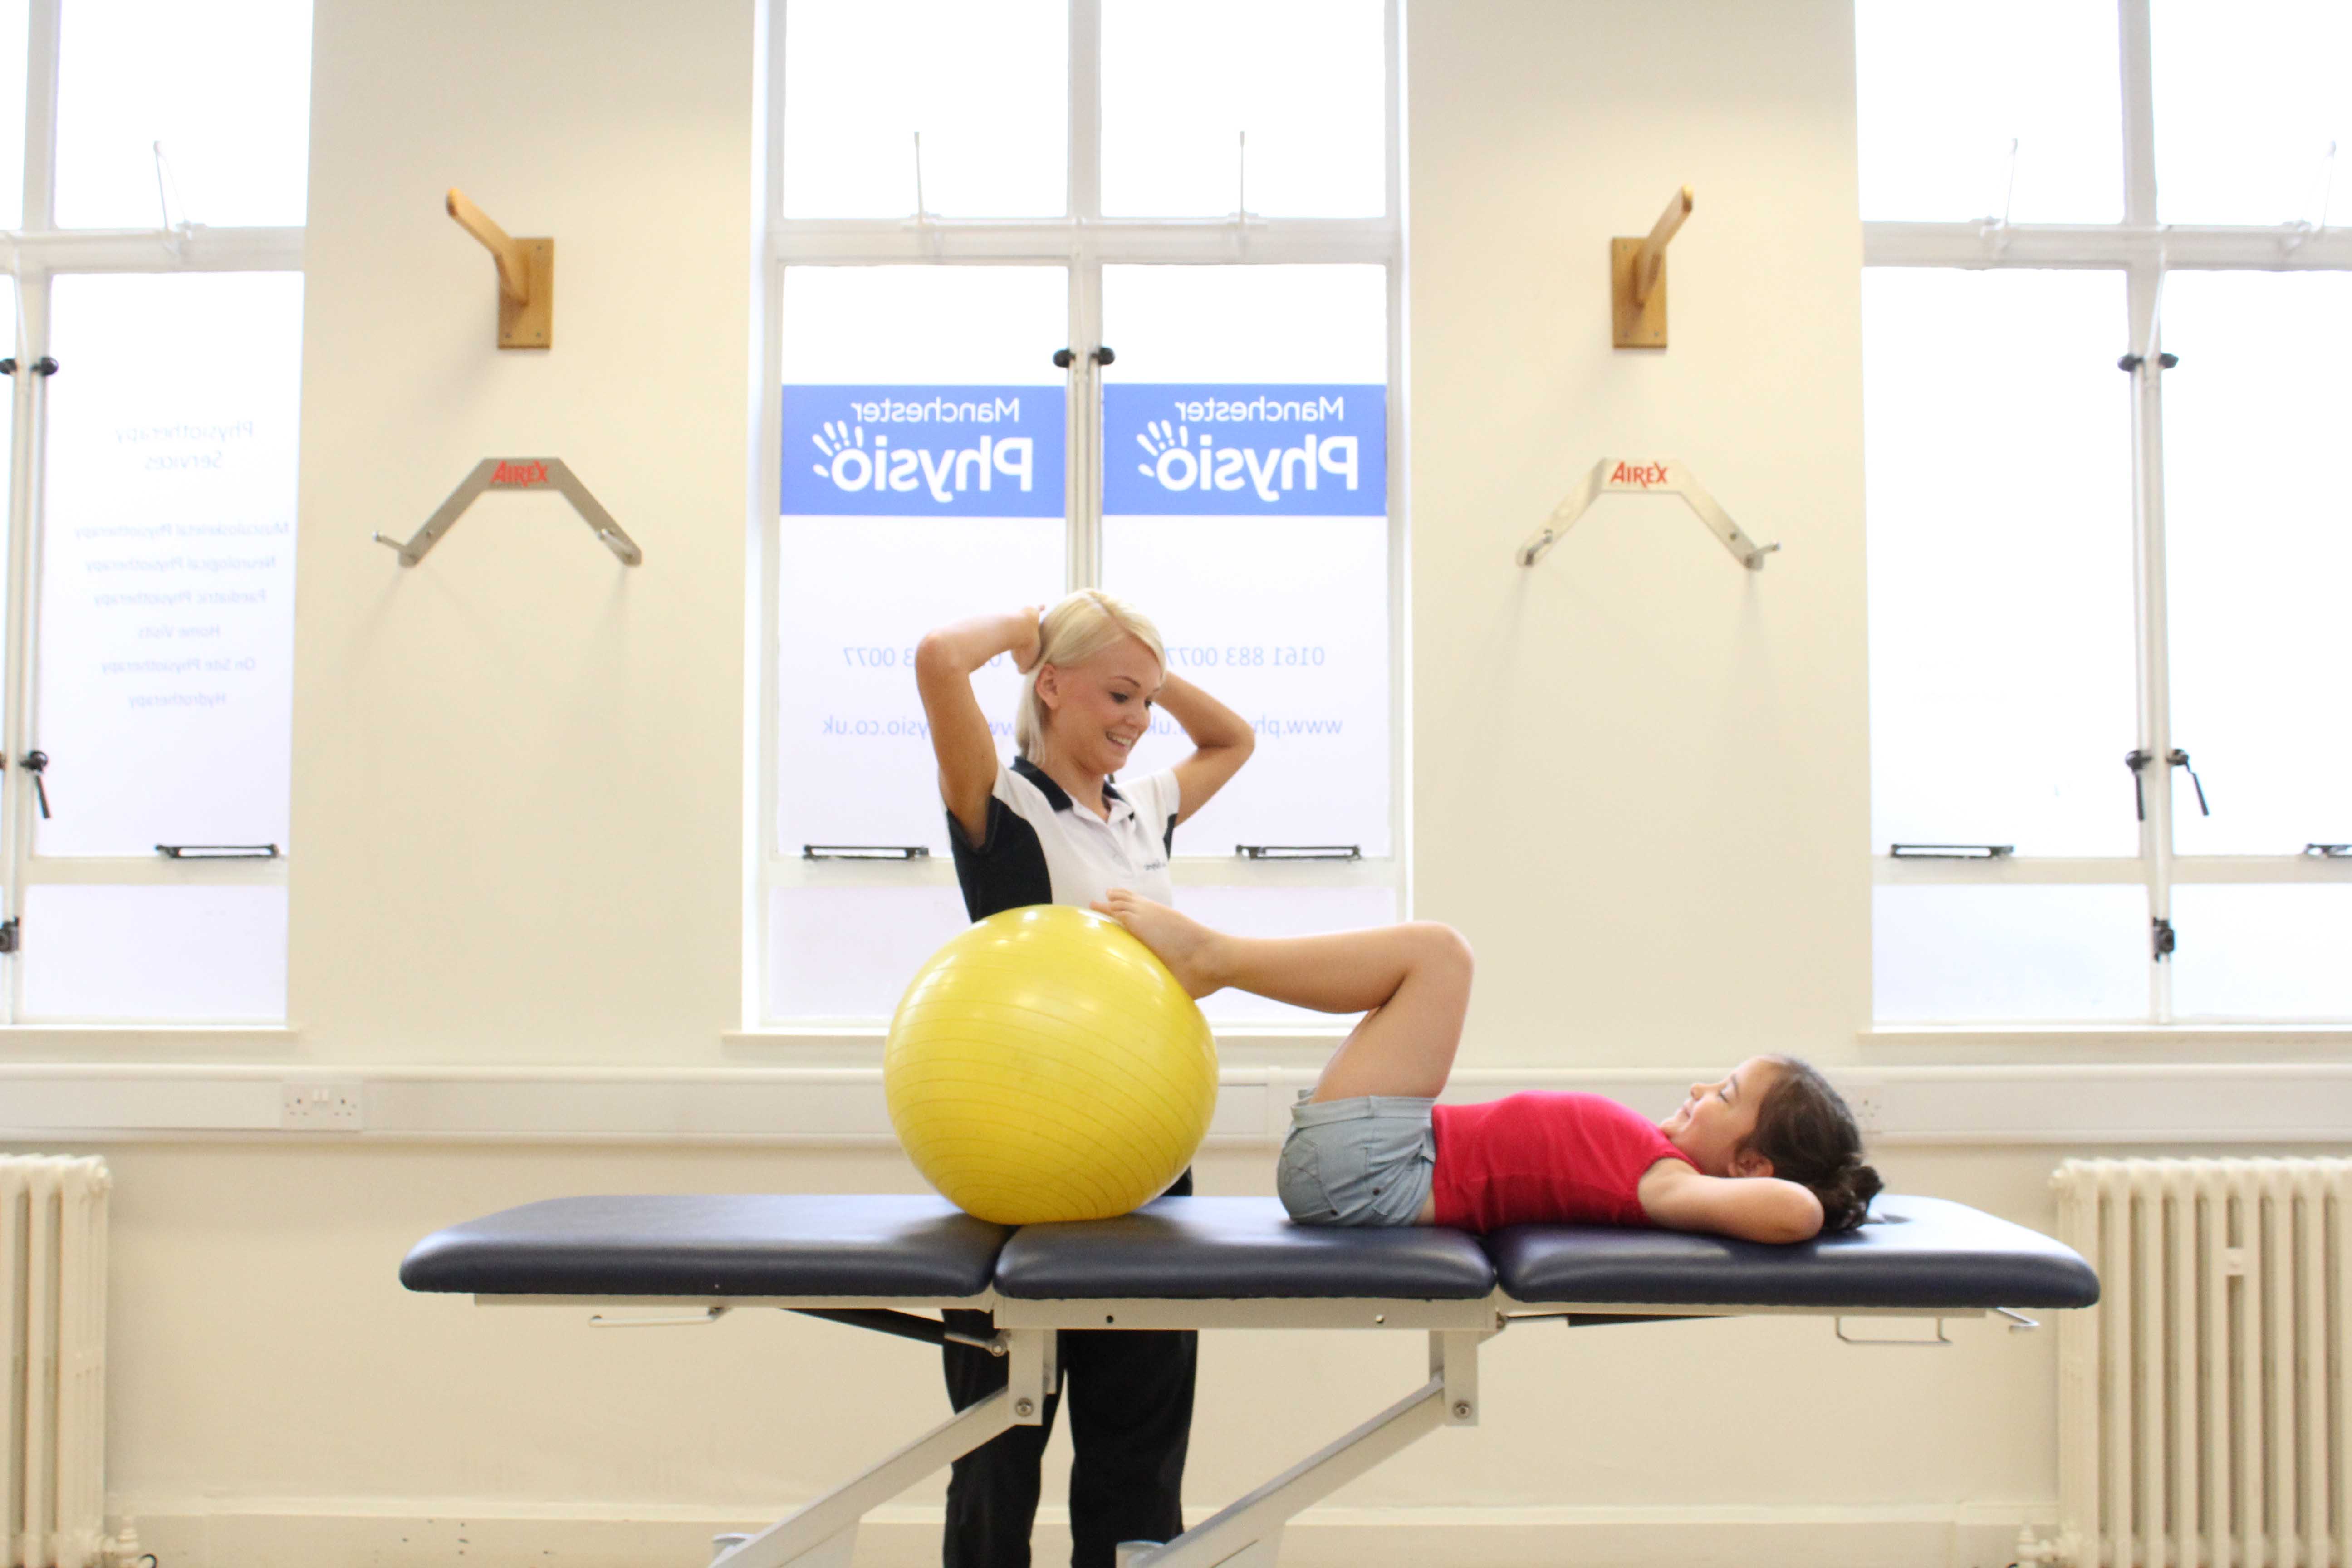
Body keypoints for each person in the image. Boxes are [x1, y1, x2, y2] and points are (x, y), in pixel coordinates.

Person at [913, 590, 1254, 1568]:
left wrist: (1137, 663)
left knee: (1138, 1455)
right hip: (1012, 1168)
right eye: (1115, 697)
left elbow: (1233, 740)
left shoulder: (1145, 807)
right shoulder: (1002, 801)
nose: (1139, 723)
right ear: (1048, 688)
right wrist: (1036, 627)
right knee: (996, 1452)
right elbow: (939, 657)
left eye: (1146, 705)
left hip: (1146, 1167)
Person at [1089, 890, 1883, 1241]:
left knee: (1439, 957)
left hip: (1378, 1172)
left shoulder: (1673, 1187)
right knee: (1429, 961)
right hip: (1380, 1158)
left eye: (1728, 1094)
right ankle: (1215, 960)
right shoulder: (1667, 1166)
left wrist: (1805, 1195)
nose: (1701, 1089)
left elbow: (1795, 1214)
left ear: (1750, 1162)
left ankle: (1216, 958)